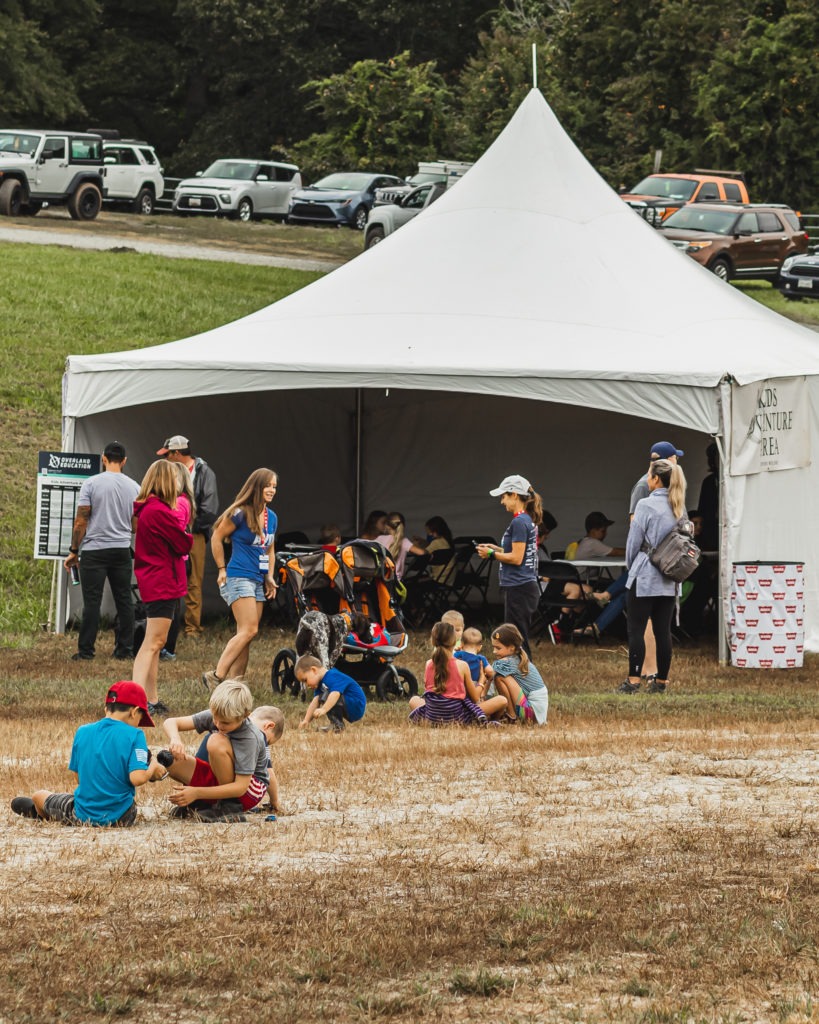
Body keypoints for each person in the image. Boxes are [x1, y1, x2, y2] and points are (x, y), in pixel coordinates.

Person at [10, 681, 166, 826]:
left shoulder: (82, 731)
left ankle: (42, 813)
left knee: (38, 796)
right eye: (141, 719)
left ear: (106, 709)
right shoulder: (135, 735)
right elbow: (137, 778)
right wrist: (152, 766)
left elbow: (79, 778)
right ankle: (46, 813)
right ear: (134, 712)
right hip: (123, 816)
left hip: (82, 814)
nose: (139, 724)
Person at [203, 468, 279, 691]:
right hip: (239, 576)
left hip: (258, 579)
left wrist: (269, 576)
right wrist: (221, 569)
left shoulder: (272, 517)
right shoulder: (239, 513)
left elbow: (270, 549)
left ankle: (235, 687)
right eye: (268, 486)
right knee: (249, 629)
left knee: (246, 635)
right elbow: (216, 537)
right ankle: (216, 675)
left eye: (274, 486)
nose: (272, 490)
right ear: (257, 486)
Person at [64, 441, 140, 661]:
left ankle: (86, 651)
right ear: (124, 461)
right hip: (121, 550)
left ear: (103, 458)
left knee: (92, 602)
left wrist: (74, 550)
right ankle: (125, 650)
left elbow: (81, 521)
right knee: (124, 600)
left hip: (94, 551)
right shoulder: (135, 487)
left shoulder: (91, 484)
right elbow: (135, 526)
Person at [618, 458, 687, 695]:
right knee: (663, 631)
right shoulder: (678, 505)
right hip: (669, 577)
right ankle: (662, 681)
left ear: (656, 479)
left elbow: (633, 542)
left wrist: (632, 566)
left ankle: (633, 680)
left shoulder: (645, 505)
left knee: (636, 629)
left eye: (649, 475)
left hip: (645, 575)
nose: (647, 479)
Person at [132, 460, 194, 717]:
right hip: (162, 581)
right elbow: (184, 544)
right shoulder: (159, 511)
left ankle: (151, 698)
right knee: (153, 642)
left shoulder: (150, 509)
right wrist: (186, 533)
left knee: (156, 644)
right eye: (176, 478)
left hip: (158, 579)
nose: (179, 483)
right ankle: (135, 700)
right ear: (167, 481)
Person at [161, 680, 272, 821]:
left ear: (245, 715)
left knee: (215, 740)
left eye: (225, 722)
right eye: (215, 718)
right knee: (171, 760)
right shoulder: (220, 714)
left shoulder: (250, 737)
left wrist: (197, 792)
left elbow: (240, 787)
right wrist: (175, 739)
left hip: (248, 791)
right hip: (221, 779)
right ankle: (203, 804)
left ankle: (229, 807)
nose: (218, 724)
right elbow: (170, 722)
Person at [157, 435, 219, 639]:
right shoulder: (168, 471)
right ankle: (168, 624)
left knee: (194, 580)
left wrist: (192, 527)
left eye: (167, 454)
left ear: (176, 453)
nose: (165, 458)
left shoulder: (205, 472)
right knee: (169, 576)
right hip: (172, 531)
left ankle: (192, 627)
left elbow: (210, 507)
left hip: (195, 534)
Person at [476, 475, 543, 655]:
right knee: (516, 638)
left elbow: (516, 558)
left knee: (516, 641)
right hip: (524, 586)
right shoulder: (526, 519)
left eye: (503, 496)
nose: (502, 501)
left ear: (514, 495)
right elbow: (518, 552)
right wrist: (496, 548)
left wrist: (491, 554)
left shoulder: (519, 522)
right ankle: (520, 671)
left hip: (519, 586)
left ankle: (527, 672)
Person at [408, 621, 488, 726]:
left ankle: (437, 719)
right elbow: (475, 698)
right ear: (455, 641)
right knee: (501, 700)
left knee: (414, 700)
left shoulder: (428, 664)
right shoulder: (462, 665)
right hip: (457, 717)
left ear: (433, 641)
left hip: (432, 716)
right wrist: (482, 679)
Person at [160, 461, 197, 662]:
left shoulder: (180, 502)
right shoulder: (181, 501)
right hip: (175, 559)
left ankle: (168, 648)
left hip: (176, 560)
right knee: (171, 604)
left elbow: (172, 530)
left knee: (172, 605)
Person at [490, 623, 549, 725]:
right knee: (500, 675)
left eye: (498, 648)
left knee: (499, 677)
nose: (494, 651)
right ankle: (511, 714)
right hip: (534, 714)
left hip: (531, 715)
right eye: (493, 647)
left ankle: (511, 716)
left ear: (511, 648)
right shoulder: (517, 658)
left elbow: (489, 674)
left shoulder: (508, 662)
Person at [296, 654, 367, 732]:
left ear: (314, 670)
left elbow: (336, 694)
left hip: (356, 704)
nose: (306, 685)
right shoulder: (321, 683)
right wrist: (306, 720)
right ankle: (335, 724)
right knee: (322, 696)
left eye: (305, 680)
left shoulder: (332, 675)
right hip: (349, 703)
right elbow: (315, 701)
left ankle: (337, 726)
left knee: (327, 696)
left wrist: (324, 709)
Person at [376, 511, 425, 579]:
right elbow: (422, 552)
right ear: (403, 526)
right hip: (397, 581)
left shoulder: (380, 539)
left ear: (387, 525)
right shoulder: (404, 541)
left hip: (381, 580)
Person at [424, 516, 454, 581]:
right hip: (449, 579)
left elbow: (422, 554)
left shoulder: (436, 542)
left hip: (438, 579)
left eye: (430, 532)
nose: (429, 534)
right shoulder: (447, 541)